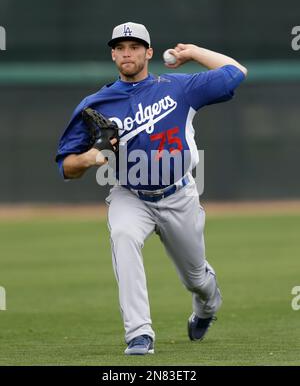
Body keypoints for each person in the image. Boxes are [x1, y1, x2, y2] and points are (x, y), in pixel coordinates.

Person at [56, 22, 247, 355]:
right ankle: (139, 334)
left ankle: (206, 306)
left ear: (148, 52)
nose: (127, 53)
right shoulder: (96, 104)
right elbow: (66, 168)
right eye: (120, 48)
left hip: (179, 194)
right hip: (129, 194)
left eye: (134, 46)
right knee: (123, 236)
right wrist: (89, 157)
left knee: (196, 280)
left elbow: (237, 72)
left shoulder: (178, 87)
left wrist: (193, 53)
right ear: (113, 55)